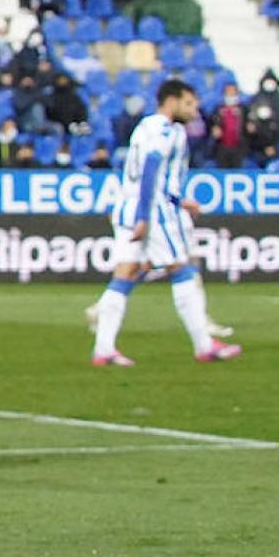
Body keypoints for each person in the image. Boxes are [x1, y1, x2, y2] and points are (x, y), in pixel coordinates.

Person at [88, 80, 240, 367]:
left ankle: (103, 349)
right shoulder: (166, 130)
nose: (194, 110)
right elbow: (151, 168)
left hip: (127, 204)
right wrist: (145, 216)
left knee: (125, 273)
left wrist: (180, 200)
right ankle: (204, 345)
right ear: (171, 101)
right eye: (189, 103)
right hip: (152, 209)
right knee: (181, 268)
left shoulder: (146, 126)